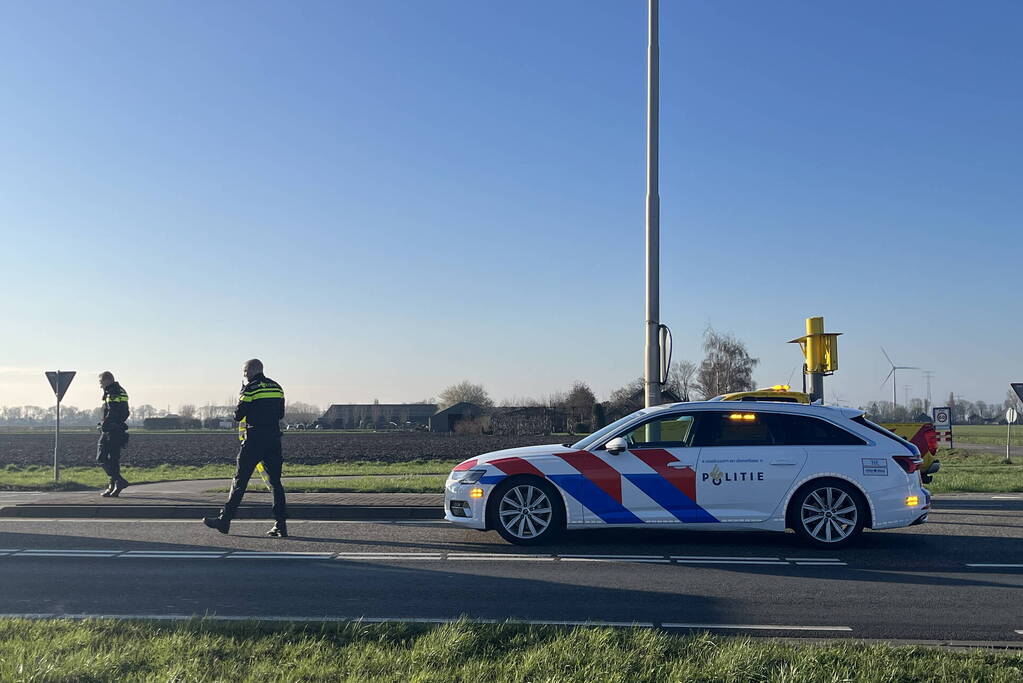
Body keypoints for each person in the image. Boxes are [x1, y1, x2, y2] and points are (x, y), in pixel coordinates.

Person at [203, 358, 288, 537]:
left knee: (240, 481)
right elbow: (280, 414)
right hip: (273, 439)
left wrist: (242, 392)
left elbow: (238, 415)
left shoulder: (250, 388)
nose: (244, 375)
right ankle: (281, 525)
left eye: (244, 372)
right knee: (275, 483)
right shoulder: (277, 387)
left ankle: (224, 520)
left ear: (250, 371)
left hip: (254, 439)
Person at [97, 371, 131, 497]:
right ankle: (113, 487)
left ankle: (119, 481)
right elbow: (125, 412)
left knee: (101, 458)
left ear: (107, 380)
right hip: (118, 429)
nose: (100, 385)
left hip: (111, 431)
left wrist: (104, 425)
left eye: (101, 382)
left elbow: (112, 411)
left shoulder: (112, 392)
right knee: (113, 460)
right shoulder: (120, 391)